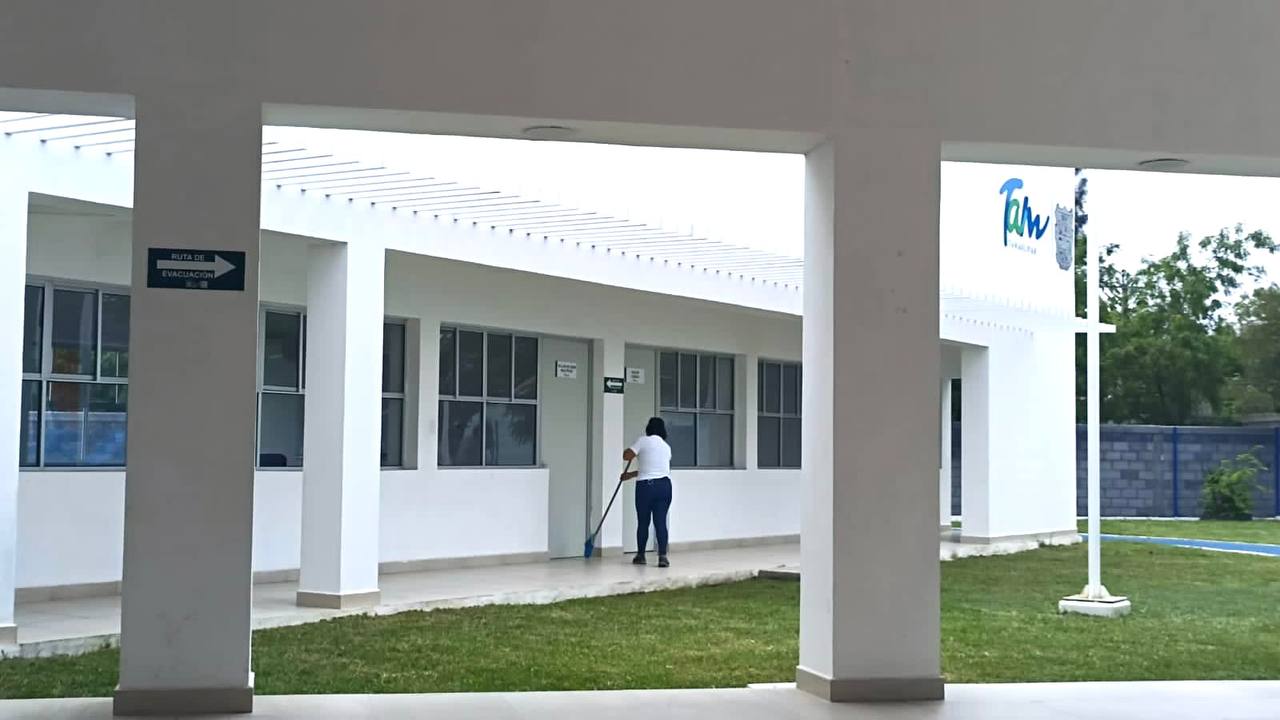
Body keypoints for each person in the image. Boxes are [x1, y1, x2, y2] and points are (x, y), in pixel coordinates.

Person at [621, 417, 673, 567]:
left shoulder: (643, 441)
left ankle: (641, 555)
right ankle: (662, 556)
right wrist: (630, 475)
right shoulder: (666, 447)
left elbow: (626, 456)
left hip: (646, 488)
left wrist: (630, 450)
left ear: (648, 428)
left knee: (643, 522)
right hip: (664, 486)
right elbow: (653, 469)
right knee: (660, 522)